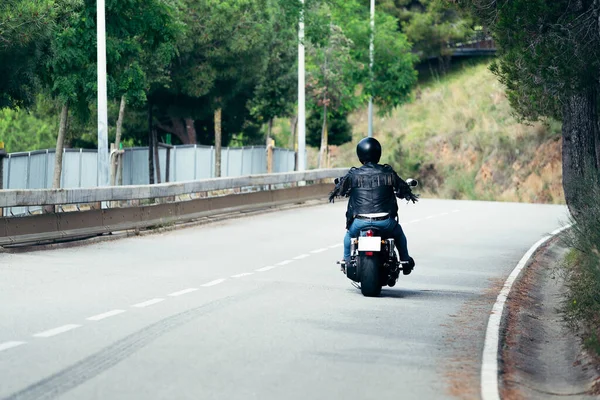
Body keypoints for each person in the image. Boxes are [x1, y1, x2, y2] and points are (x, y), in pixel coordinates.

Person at [329, 137, 418, 273]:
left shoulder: (354, 174)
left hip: (360, 222)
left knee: (349, 235)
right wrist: (404, 190)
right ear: (378, 154)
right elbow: (403, 189)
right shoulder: (388, 172)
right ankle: (405, 261)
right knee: (399, 234)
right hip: (385, 222)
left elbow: (340, 189)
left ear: (360, 155)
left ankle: (346, 262)